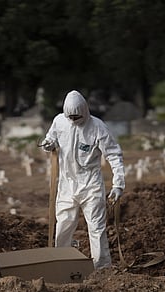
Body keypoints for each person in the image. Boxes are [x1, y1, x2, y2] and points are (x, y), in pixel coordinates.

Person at [41, 90, 125, 269]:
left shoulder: (97, 127)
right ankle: (61, 264)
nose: (73, 120)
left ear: (85, 111)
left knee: (96, 227)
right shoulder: (59, 121)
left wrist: (118, 184)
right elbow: (51, 139)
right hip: (66, 182)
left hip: (90, 183)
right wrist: (48, 144)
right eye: (70, 117)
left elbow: (114, 155)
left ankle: (101, 268)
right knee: (63, 225)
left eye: (77, 117)